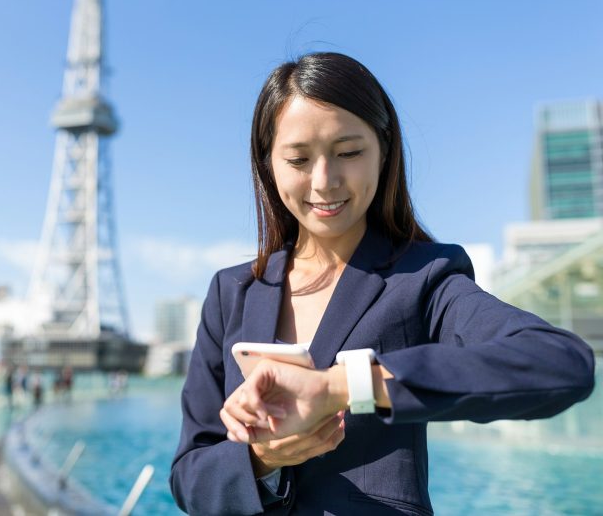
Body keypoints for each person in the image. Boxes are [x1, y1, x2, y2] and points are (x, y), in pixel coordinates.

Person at [169, 52, 595, 515]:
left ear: (384, 152)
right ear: (268, 164)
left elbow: (561, 364)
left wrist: (343, 386)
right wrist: (260, 460)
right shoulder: (231, 293)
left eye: (349, 153)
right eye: (298, 158)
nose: (325, 181)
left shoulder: (424, 277)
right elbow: (190, 476)